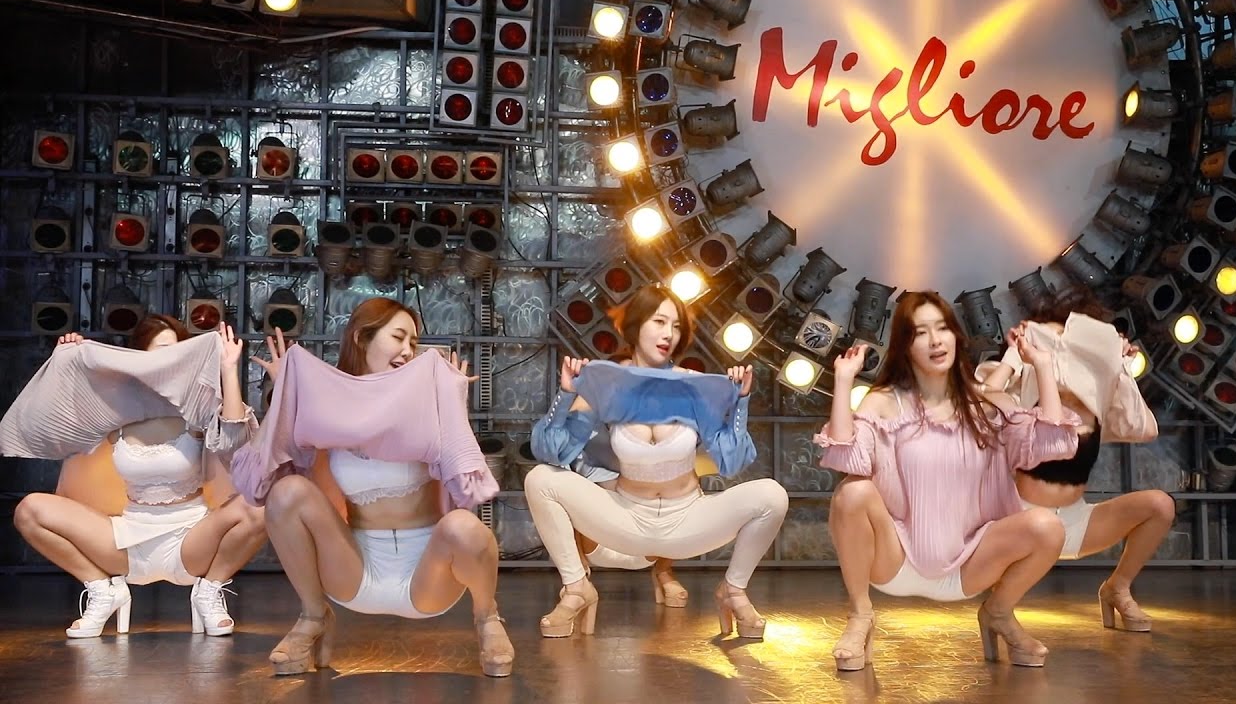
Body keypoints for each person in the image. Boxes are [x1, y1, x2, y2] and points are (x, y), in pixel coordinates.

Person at [230, 297, 513, 677]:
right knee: (287, 492)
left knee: (464, 526)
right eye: (398, 337)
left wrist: (452, 399)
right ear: (362, 337)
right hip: (355, 569)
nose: (408, 350)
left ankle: (488, 618)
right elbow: (257, 481)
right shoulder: (328, 406)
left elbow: (465, 482)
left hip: (427, 575)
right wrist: (285, 394)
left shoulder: (425, 398)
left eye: (414, 343)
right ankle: (313, 616)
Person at [820, 291, 1079, 670]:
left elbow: (1055, 443)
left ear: (957, 336)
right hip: (895, 560)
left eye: (942, 329)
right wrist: (844, 381)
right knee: (852, 492)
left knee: (1048, 526)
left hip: (970, 564)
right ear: (905, 346)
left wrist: (1042, 365)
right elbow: (845, 456)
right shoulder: (885, 402)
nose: (935, 341)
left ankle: (999, 612)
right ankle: (860, 615)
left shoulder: (989, 403)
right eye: (920, 332)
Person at [527, 284, 787, 639]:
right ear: (635, 325)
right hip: (627, 517)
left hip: (687, 520)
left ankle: (733, 589)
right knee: (540, 478)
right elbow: (552, 451)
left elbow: (731, 461)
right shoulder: (608, 384)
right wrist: (566, 394)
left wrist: (740, 402)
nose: (669, 334)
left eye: (676, 326)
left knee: (772, 495)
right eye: (659, 321)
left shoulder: (693, 386)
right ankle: (577, 587)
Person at [5, 316, 263, 638]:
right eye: (160, 351)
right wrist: (68, 362)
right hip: (128, 540)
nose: (168, 360)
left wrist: (228, 369)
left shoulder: (196, 409)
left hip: (190, 539)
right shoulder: (116, 411)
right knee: (29, 510)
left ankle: (209, 591)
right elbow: (56, 426)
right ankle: (103, 591)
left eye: (176, 351)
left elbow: (235, 442)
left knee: (262, 506)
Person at [977, 304, 1171, 632]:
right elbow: (981, 404)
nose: (1058, 351)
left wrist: (1119, 368)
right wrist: (1014, 357)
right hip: (1020, 521)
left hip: (1075, 524)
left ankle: (1117, 588)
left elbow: (1145, 428)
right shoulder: (1022, 395)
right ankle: (999, 607)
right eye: (1051, 342)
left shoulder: (1097, 405)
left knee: (1160, 505)